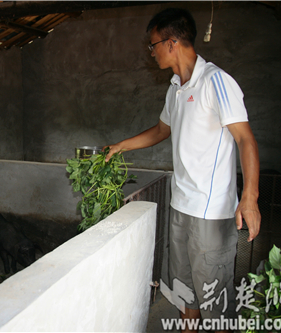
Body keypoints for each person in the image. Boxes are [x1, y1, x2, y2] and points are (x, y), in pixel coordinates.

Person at [104, 8, 261, 333]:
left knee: (214, 303)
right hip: (180, 207)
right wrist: (122, 145)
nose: (152, 51)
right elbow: (162, 130)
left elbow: (245, 139)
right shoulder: (175, 87)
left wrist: (250, 197)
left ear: (172, 42)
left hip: (211, 214)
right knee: (185, 294)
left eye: (154, 44)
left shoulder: (216, 81)